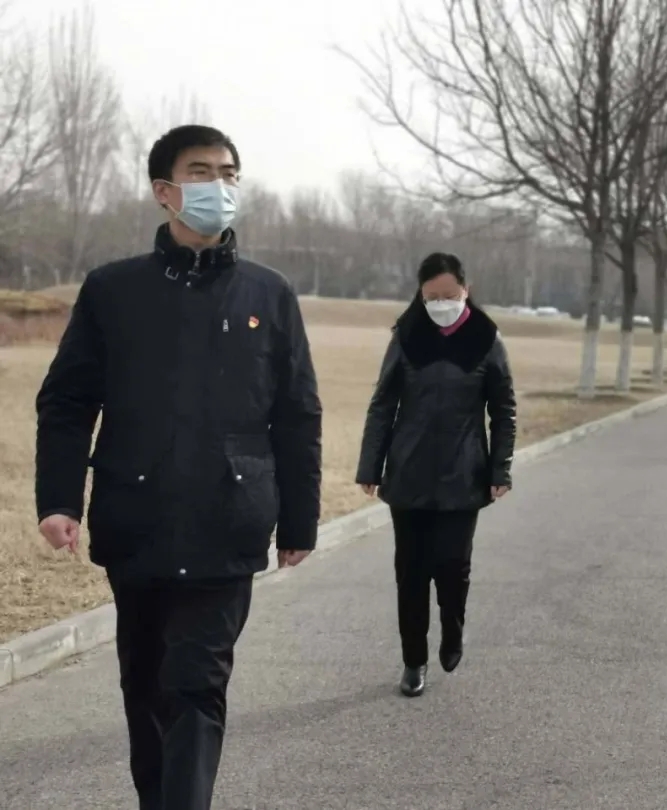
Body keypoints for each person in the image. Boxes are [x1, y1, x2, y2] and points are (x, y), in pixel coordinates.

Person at [34, 125, 322, 810]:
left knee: (196, 686)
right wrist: (59, 500)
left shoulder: (269, 294)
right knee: (145, 689)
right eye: (202, 172)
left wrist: (300, 520)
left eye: (230, 173)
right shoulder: (113, 290)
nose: (220, 185)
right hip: (137, 519)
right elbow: (68, 401)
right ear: (164, 191)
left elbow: (297, 413)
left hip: (229, 520)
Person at [356, 252, 516, 698]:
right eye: (432, 297)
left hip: (464, 474)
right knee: (410, 572)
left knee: (452, 567)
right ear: (421, 295)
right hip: (408, 473)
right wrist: (370, 466)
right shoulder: (407, 336)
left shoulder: (486, 338)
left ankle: (452, 629)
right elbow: (382, 404)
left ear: (465, 289)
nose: (441, 303)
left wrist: (500, 468)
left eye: (449, 294)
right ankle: (413, 660)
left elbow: (503, 409)